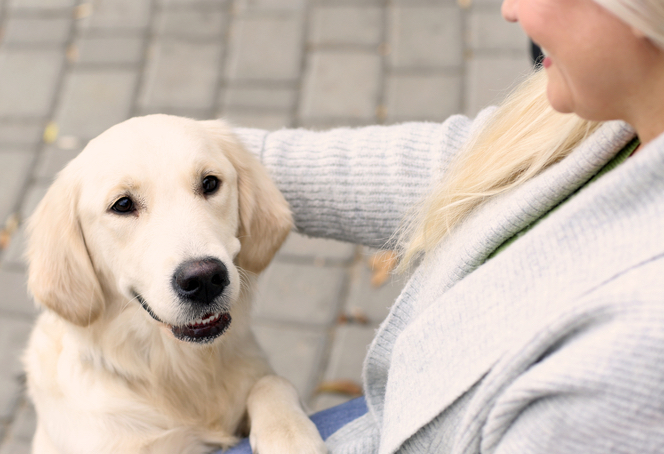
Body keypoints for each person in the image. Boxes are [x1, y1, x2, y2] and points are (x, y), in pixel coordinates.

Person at [222, 0, 664, 452]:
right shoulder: (615, 114)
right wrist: (210, 161)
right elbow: (479, 167)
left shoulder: (632, 371)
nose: (511, 10)